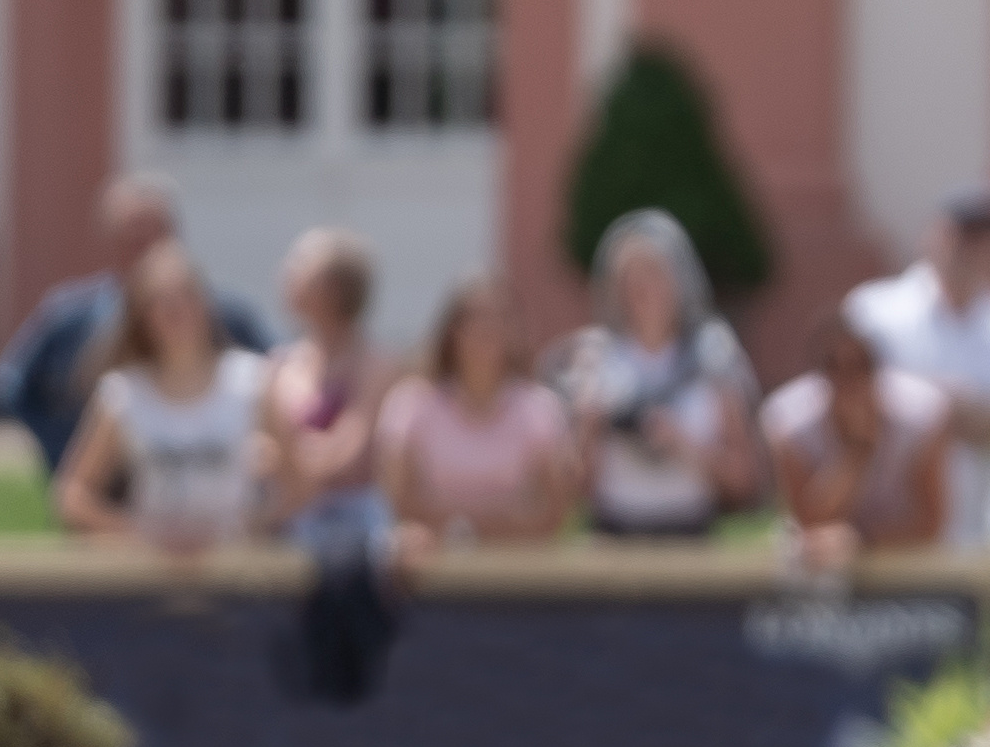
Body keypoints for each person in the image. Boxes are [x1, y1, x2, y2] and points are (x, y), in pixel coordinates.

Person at [0, 173, 268, 475]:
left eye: (155, 237)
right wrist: (62, 445)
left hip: (200, 479)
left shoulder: (225, 317)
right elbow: (10, 385)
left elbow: (275, 376)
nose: (145, 251)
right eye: (132, 239)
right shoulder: (70, 318)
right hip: (105, 489)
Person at [846, 191, 990, 551]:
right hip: (883, 531)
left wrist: (933, 408)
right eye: (959, 235)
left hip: (981, 531)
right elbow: (848, 403)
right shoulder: (873, 312)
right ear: (933, 236)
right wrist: (944, 405)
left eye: (982, 239)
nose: (967, 250)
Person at [555, 208, 759, 543]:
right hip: (614, 538)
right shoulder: (595, 358)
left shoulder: (713, 354)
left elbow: (746, 481)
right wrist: (590, 425)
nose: (642, 288)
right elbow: (573, 488)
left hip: (690, 538)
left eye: (653, 273)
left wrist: (683, 444)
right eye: (629, 277)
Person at [49, 240, 269, 552]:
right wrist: (141, 535)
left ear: (206, 303)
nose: (177, 311)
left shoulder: (251, 381)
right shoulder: (123, 393)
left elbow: (299, 487)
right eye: (161, 302)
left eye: (186, 297)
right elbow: (71, 496)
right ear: (142, 315)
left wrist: (249, 526)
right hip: (154, 574)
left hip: (234, 571)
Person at [378, 277, 580, 553]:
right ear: (451, 331)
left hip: (516, 571)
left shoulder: (540, 408)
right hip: (430, 573)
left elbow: (555, 510)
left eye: (499, 320)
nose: (486, 331)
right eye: (475, 320)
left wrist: (466, 529)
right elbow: (397, 500)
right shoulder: (412, 404)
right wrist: (488, 526)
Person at [762, 306, 954, 567]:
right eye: (834, 366)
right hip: (819, 574)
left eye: (861, 365)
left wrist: (863, 543)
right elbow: (807, 525)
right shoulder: (789, 424)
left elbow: (931, 523)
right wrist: (855, 455)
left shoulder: (923, 418)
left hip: (903, 569)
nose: (849, 380)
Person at [259, 231, 394, 555]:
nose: (286, 273)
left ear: (337, 289)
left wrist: (288, 461)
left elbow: (351, 452)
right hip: (286, 525)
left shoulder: (375, 366)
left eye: (301, 266)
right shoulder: (278, 365)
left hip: (356, 534)